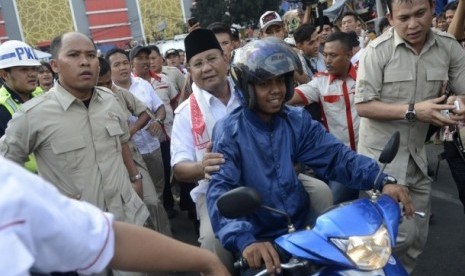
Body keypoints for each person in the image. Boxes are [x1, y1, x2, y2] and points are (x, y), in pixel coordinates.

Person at [207, 37, 413, 275]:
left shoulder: (296, 120)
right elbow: (221, 189)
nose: (276, 90)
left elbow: (336, 157)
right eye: (265, 84)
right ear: (246, 87)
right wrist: (245, 241)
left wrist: (381, 179)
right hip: (259, 240)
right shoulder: (230, 131)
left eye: (280, 81)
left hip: (302, 232)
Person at [0, 32, 150, 268]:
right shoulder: (32, 116)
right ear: (54, 65)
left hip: (125, 221)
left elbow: (121, 142)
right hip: (77, 237)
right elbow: (5, 169)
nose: (84, 62)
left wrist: (136, 178)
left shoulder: (110, 100)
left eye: (90, 55)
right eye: (73, 55)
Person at [354, 0, 465, 272]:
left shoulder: (448, 46)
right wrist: (414, 111)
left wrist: (459, 104)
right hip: (382, 162)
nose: (413, 24)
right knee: (389, 238)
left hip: (417, 159)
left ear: (433, 12)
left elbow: (462, 89)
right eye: (404, 18)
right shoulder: (376, 52)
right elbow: (363, 106)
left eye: (420, 14)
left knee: (417, 238)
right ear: (391, 18)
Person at [0, 155, 229, 276]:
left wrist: (207, 261)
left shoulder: (9, 184)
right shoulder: (35, 113)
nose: (84, 63)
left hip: (116, 205)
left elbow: (106, 238)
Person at [170, 29, 240, 274]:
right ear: (190, 71)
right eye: (197, 64)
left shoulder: (250, 92)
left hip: (268, 178)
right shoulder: (186, 113)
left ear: (225, 57)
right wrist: (202, 168)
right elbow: (179, 168)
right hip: (215, 194)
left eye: (211, 59)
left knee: (319, 193)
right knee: (212, 244)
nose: (206, 68)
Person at [97, 56, 173, 238]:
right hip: (106, 169)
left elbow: (146, 112)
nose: (108, 89)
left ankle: (167, 248)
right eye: (102, 85)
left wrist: (132, 130)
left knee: (153, 202)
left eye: (109, 83)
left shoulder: (120, 94)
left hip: (133, 159)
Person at [289, 31, 361, 204]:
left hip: (370, 155)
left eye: (333, 55)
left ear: (349, 55)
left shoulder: (366, 77)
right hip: (341, 161)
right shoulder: (320, 83)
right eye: (326, 55)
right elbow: (289, 98)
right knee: (332, 209)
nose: (327, 60)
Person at [0, 40, 42, 173]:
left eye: (34, 68)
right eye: (24, 69)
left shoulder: (43, 95)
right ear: (4, 74)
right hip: (23, 182)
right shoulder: (1, 106)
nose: (32, 74)